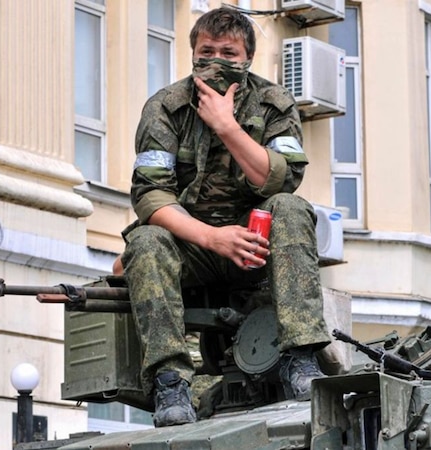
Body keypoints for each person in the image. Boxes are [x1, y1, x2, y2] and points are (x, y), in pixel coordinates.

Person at [120, 7, 331, 428]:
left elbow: (283, 179)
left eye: (228, 52)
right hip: (193, 247)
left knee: (290, 209)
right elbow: (150, 195)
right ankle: (170, 381)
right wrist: (214, 238)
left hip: (258, 246)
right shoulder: (166, 108)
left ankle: (300, 360)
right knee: (144, 240)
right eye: (206, 50)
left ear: (247, 58)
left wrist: (227, 127)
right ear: (193, 53)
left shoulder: (274, 104)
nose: (216, 60)